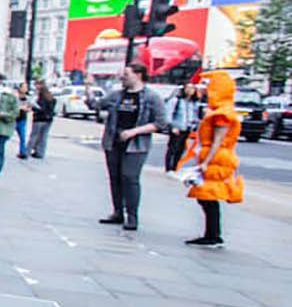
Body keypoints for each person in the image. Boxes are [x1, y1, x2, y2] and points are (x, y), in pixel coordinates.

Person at [97, 62, 167, 232]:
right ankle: (117, 212)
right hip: (113, 142)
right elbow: (97, 105)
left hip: (136, 145)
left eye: (126, 75)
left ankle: (132, 216)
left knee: (129, 177)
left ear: (138, 75)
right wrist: (86, 87)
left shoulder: (151, 97)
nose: (122, 77)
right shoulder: (116, 95)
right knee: (115, 178)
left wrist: (134, 131)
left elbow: (161, 123)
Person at [180, 71, 245, 247]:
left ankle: (213, 234)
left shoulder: (221, 114)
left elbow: (218, 140)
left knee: (208, 195)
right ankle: (212, 233)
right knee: (207, 195)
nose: (207, 92)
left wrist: (206, 162)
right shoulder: (222, 111)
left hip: (216, 158)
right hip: (215, 157)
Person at [164, 83, 199, 172]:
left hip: (187, 128)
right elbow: (168, 114)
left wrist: (194, 125)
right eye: (188, 88)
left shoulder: (194, 103)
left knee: (181, 149)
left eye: (192, 88)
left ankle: (175, 167)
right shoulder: (176, 101)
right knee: (172, 148)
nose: (190, 90)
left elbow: (195, 116)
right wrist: (172, 126)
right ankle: (169, 168)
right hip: (177, 128)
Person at [28, 81, 56, 159]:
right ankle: (40, 153)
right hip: (48, 119)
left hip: (39, 118)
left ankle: (27, 151)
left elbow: (39, 107)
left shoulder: (40, 96)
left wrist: (34, 107)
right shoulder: (50, 96)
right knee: (43, 137)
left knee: (34, 135)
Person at [15, 82, 32, 161]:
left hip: (22, 119)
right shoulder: (15, 97)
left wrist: (28, 109)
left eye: (26, 87)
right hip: (14, 118)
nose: (25, 89)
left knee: (23, 137)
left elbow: (29, 108)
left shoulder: (28, 98)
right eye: (23, 87)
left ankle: (22, 152)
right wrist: (21, 108)